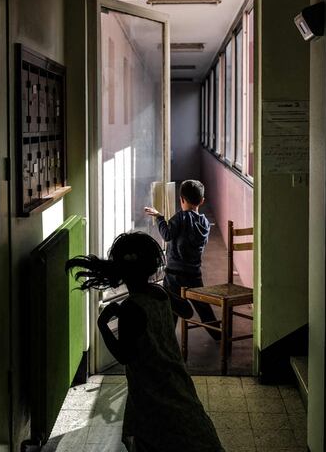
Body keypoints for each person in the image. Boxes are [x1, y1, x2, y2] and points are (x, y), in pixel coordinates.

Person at [66, 232, 223, 452]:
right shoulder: (160, 293)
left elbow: (124, 356)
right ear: (151, 267)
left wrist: (103, 324)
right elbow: (187, 310)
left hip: (150, 393)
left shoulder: (131, 308)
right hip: (177, 382)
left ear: (122, 272)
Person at [143, 180, 220, 339]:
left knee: (171, 306)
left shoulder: (180, 218)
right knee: (203, 308)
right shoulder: (205, 223)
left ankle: (167, 336)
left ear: (181, 200)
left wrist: (160, 217)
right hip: (194, 274)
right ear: (202, 201)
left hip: (174, 275)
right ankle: (218, 335)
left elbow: (167, 235)